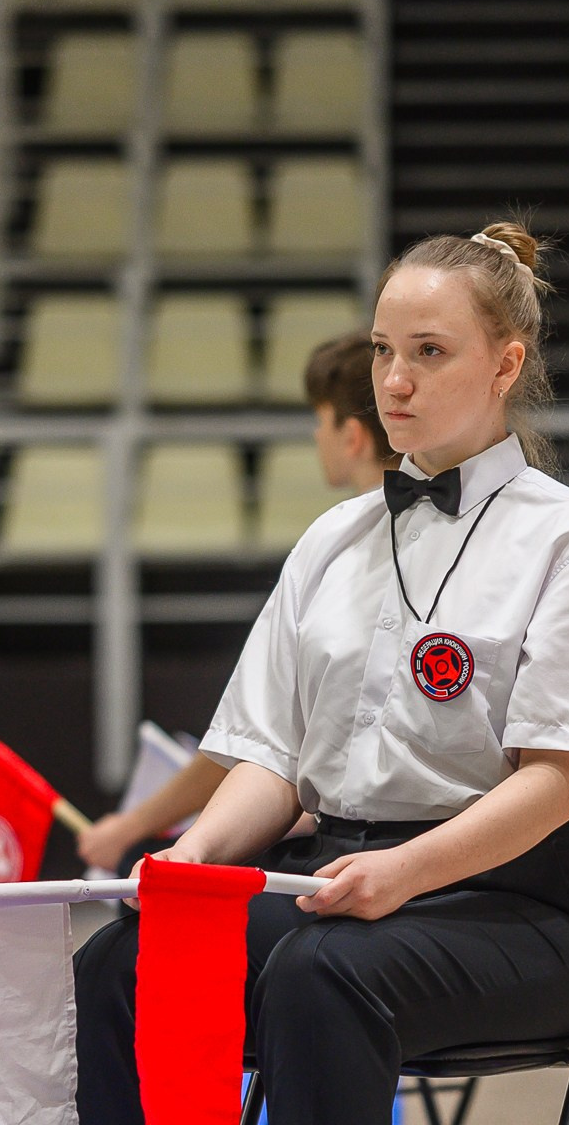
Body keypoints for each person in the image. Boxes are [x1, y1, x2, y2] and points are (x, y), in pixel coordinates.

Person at [0, 222, 569, 1125]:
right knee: (125, 960)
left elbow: (557, 779)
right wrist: (188, 865)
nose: (395, 379)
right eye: (384, 349)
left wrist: (402, 873)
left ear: (504, 362)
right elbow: (266, 757)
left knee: (325, 976)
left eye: (430, 351)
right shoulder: (329, 543)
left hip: (512, 908)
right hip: (336, 870)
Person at [73, 332, 398, 875]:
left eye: (320, 422)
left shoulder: (342, 555)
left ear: (353, 437)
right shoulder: (328, 546)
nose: (316, 436)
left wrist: (130, 827)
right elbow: (270, 744)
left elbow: (246, 748)